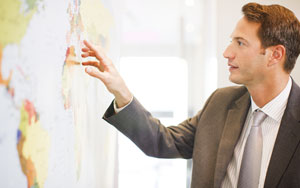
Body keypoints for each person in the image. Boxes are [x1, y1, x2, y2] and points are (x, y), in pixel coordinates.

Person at [81, 2, 300, 188]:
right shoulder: (221, 103)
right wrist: (120, 90)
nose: (227, 53)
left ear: (275, 55)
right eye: (231, 41)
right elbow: (162, 142)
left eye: (240, 43)